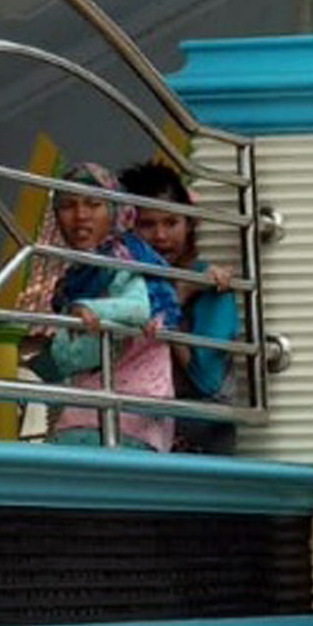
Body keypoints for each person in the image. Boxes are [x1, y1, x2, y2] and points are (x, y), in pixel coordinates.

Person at [26, 161, 180, 452]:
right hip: (95, 410)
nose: (80, 216)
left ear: (115, 211)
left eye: (93, 204)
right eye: (67, 205)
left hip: (127, 416)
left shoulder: (125, 260)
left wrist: (89, 309)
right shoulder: (81, 274)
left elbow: (139, 308)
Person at [118, 159, 242, 453]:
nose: (161, 236)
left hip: (198, 433)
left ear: (190, 225)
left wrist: (178, 299)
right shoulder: (123, 283)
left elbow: (207, 382)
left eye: (171, 222)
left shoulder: (210, 287)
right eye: (147, 225)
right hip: (134, 427)